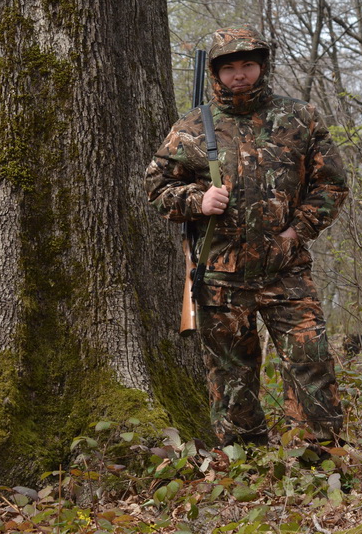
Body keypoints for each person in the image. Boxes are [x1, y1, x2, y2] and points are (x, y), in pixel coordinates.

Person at [144, 25, 348, 447]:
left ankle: (324, 457)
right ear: (216, 73)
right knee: (233, 378)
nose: (240, 75)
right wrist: (196, 201)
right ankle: (245, 467)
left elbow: (331, 185)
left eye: (248, 65)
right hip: (219, 277)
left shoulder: (300, 119)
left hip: (286, 269)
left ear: (262, 67)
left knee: (312, 361)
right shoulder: (192, 128)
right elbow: (157, 188)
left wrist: (296, 232)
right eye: (230, 68)